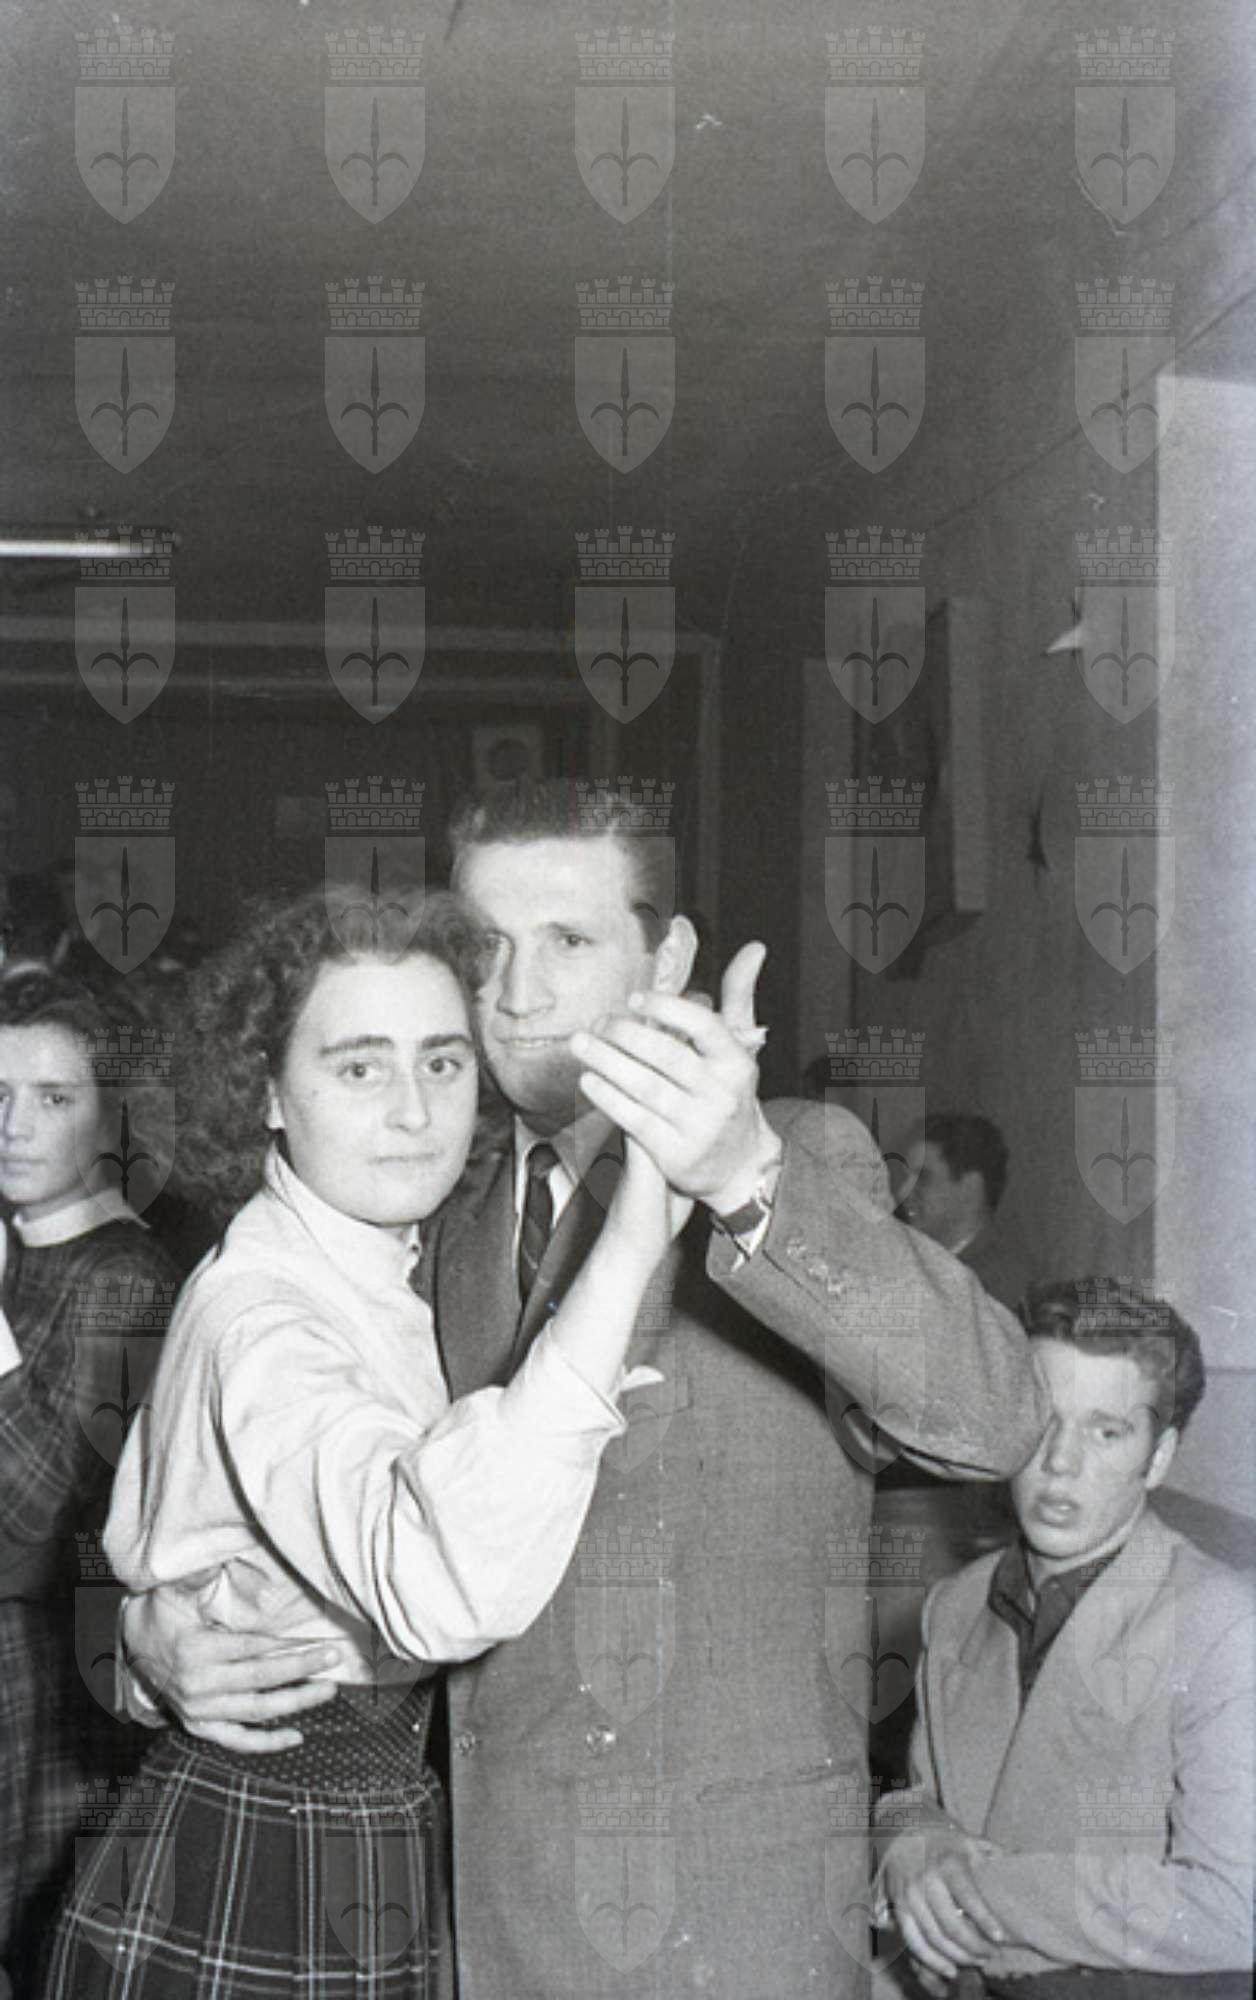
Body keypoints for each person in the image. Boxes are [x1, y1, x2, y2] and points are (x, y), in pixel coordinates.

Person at [121, 779, 1049, 1999]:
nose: (517, 990)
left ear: (665, 960)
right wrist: (154, 1641)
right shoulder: (426, 1195)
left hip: (722, 1921)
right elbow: (305, 1488)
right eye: (485, 944)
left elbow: (995, 1420)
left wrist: (742, 1172)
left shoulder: (793, 1157)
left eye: (568, 939)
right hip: (470, 1911)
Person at [42, 889, 690, 1998]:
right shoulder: (264, 1314)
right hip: (263, 1838)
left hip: (360, 1818)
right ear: (265, 1093)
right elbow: (435, 1580)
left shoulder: (384, 1250)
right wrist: (635, 1236)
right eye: (358, 1067)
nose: (413, 1111)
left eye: (442, 1061)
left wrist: (141, 1637)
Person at [876, 1279, 1255, 1999]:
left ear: (1159, 1458)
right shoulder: (956, 1605)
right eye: (1043, 1420)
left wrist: (975, 1896)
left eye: (1106, 1432)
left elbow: (1236, 1907)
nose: (1059, 1462)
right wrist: (905, 1840)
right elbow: (923, 1797)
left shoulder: (1223, 1627)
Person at [0, 966, 180, 1992]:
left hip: (54, 1706)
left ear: (111, 1116)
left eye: (53, 1097)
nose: (13, 1126)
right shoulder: (17, 1248)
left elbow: (27, 1525)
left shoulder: (126, 1276)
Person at [895, 1113, 1032, 1312]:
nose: (902, 1193)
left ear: (970, 1189)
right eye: (905, 1177)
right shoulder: (910, 1259)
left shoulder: (1002, 1285)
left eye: (923, 1178)